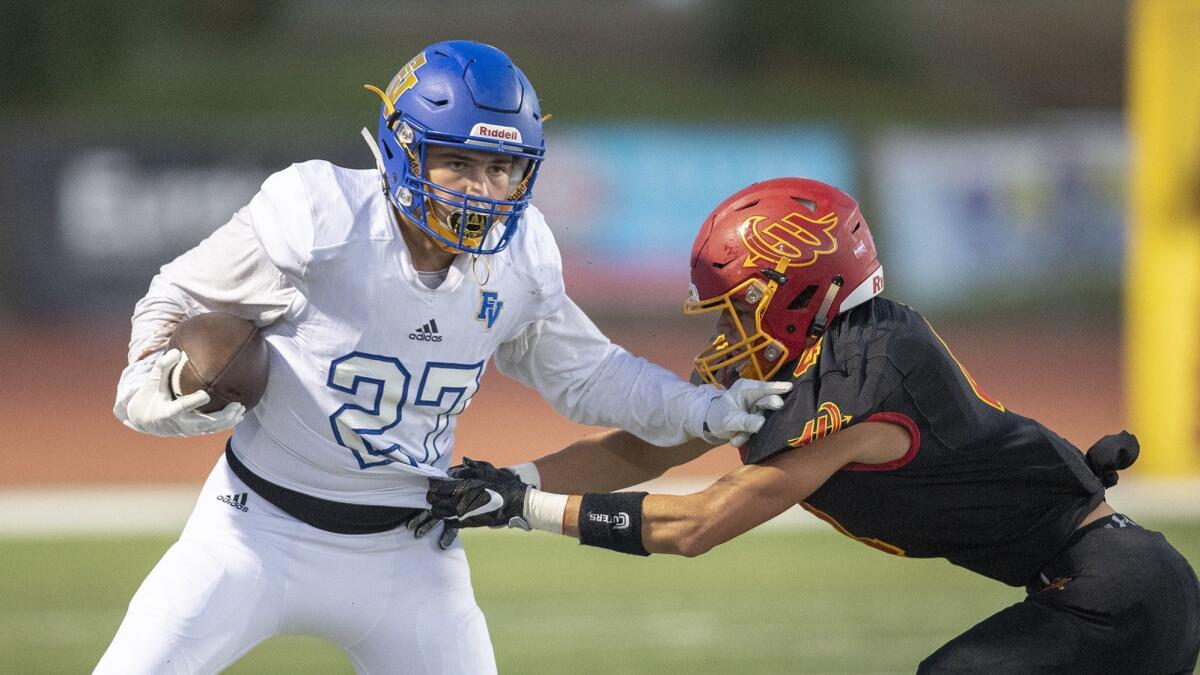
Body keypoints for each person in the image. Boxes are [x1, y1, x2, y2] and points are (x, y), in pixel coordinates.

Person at [95, 40, 789, 675]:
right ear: (402, 148)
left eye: (499, 167)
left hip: (408, 550)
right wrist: (149, 376)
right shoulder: (318, 217)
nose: (481, 189)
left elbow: (591, 374)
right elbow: (177, 295)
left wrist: (703, 409)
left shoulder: (521, 257)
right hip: (252, 529)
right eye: (458, 162)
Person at [427, 177, 1200, 673]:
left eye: (740, 305)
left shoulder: (867, 374)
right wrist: (509, 480)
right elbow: (644, 447)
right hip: (1106, 583)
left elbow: (701, 521)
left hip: (1118, 590)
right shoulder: (818, 351)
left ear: (800, 290)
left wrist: (527, 511)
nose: (729, 330)